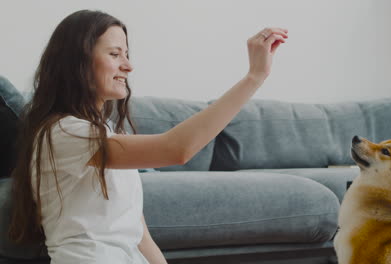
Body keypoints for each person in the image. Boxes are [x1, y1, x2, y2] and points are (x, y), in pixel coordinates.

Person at [8, 9, 287, 264]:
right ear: (76, 62)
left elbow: (137, 231)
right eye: (115, 54)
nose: (128, 66)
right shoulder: (64, 133)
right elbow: (177, 149)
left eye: (126, 55)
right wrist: (254, 77)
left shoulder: (105, 131)